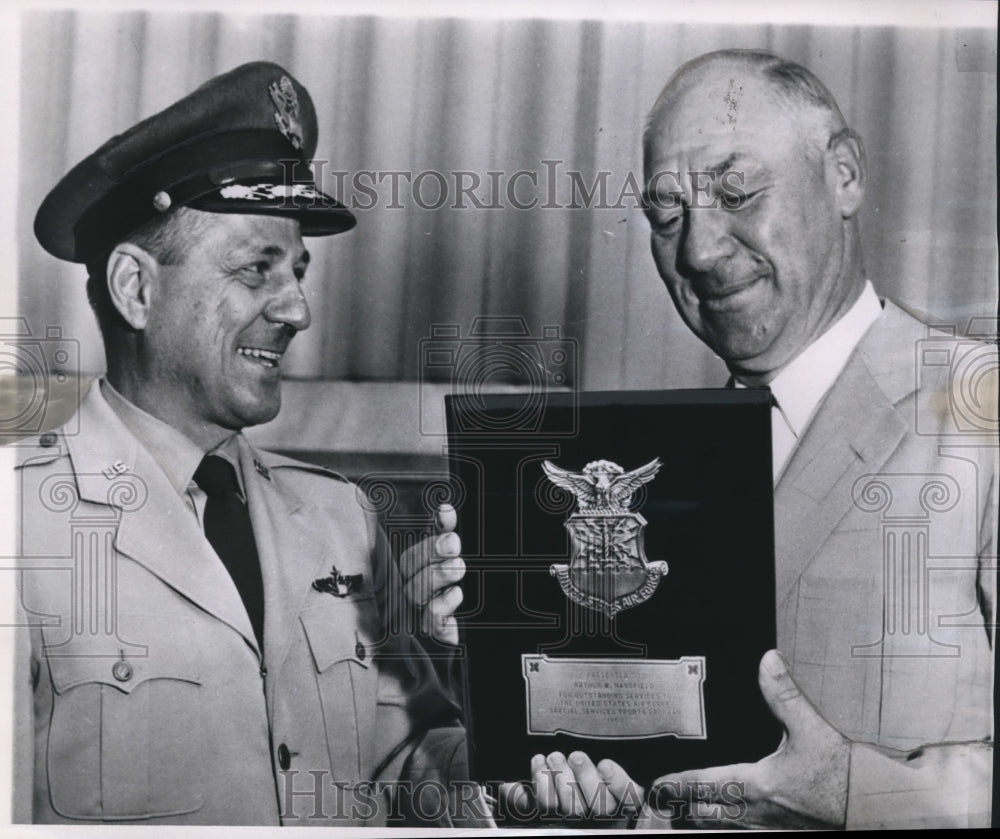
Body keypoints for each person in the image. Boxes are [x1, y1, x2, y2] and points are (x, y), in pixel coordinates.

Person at [534, 48, 996, 829]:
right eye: (667, 213)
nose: (700, 250)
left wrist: (851, 789)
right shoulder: (668, 460)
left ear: (844, 174)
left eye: (736, 191)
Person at [12, 61, 482, 827]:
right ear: (136, 289)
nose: (297, 308)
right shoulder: (22, 527)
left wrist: (508, 762)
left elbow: (401, 764)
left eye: (296, 271)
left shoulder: (341, 519)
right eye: (256, 268)